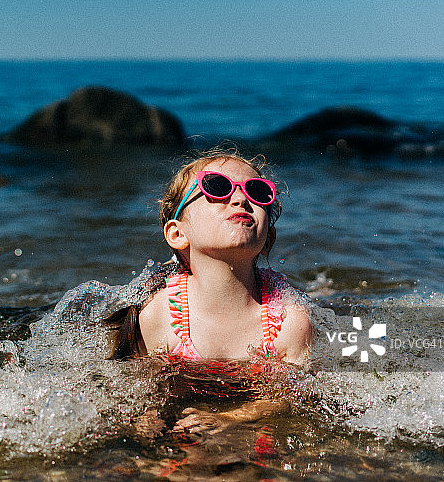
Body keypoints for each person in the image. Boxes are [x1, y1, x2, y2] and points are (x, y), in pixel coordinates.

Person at [106, 147, 314, 436]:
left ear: (268, 238)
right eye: (217, 187)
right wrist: (148, 415)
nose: (241, 199)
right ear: (178, 233)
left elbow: (292, 397)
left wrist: (231, 418)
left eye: (258, 192)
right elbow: (142, 388)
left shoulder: (290, 322)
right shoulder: (159, 315)